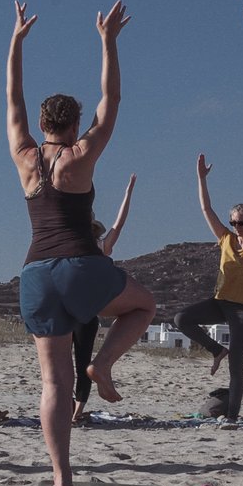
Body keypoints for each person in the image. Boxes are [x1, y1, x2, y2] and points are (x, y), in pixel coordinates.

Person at [7, 0, 155, 486]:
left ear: (44, 124)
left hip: (34, 274)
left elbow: (13, 100)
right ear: (73, 125)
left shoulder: (25, 156)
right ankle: (102, 364)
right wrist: (108, 41)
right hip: (80, 265)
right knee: (143, 306)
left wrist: (16, 42)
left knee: (53, 384)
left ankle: (60, 477)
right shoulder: (80, 155)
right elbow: (110, 100)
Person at [174, 157, 243, 423]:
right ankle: (216, 350)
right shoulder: (225, 238)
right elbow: (206, 208)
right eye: (233, 223)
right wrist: (201, 178)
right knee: (181, 319)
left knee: (237, 366)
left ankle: (232, 418)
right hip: (221, 301)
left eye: (241, 223)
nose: (236, 228)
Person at [70, 174, 137, 420]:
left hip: (81, 313)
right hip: (80, 312)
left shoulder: (97, 247)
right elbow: (118, 226)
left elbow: (119, 224)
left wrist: (128, 195)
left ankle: (77, 410)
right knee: (74, 364)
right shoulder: (77, 248)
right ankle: (73, 409)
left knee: (79, 364)